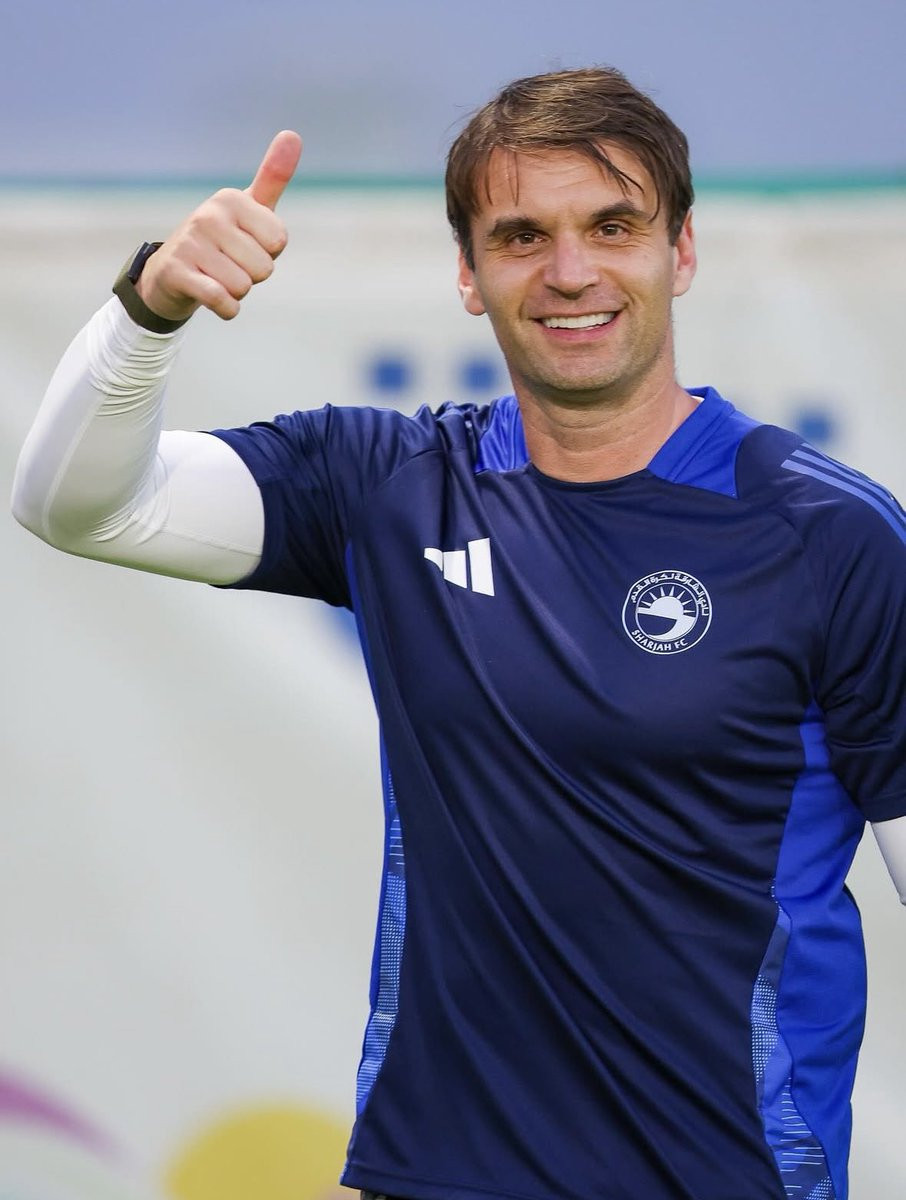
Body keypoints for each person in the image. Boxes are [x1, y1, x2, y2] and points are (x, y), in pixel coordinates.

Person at [12, 67, 906, 1200]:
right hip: (430, 1178)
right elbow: (77, 506)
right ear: (469, 275)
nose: (570, 272)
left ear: (680, 252)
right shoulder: (391, 485)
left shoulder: (829, 533)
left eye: (613, 227)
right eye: (522, 236)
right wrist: (151, 306)